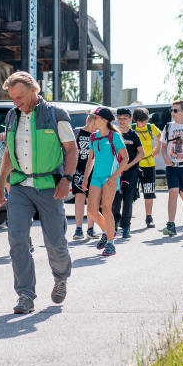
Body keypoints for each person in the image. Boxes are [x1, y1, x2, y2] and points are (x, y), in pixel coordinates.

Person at [0, 71, 78, 314]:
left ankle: (60, 278)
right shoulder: (11, 116)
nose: (15, 102)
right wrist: (1, 187)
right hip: (20, 186)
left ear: (34, 91)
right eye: (12, 98)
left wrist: (66, 179)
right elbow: (8, 154)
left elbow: (71, 150)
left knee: (55, 242)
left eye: (19, 97)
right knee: (17, 240)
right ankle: (25, 295)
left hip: (50, 186)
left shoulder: (55, 114)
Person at [81, 107, 127, 256]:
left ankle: (111, 244)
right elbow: (91, 159)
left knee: (106, 209)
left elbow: (125, 158)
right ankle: (108, 232)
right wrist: (86, 178)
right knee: (92, 210)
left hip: (110, 178)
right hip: (96, 177)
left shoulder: (114, 136)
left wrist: (114, 177)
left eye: (95, 117)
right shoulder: (93, 136)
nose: (92, 120)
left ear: (104, 120)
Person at [158, 100, 183, 237]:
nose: (172, 113)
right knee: (173, 192)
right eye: (171, 110)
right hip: (171, 166)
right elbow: (163, 147)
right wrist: (165, 158)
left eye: (175, 110)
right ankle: (171, 224)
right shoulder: (168, 127)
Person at [112, 108, 145, 239]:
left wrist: (129, 165)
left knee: (128, 199)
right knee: (115, 199)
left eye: (125, 118)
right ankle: (114, 222)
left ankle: (126, 226)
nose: (122, 121)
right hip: (115, 173)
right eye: (119, 118)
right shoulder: (113, 134)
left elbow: (141, 153)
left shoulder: (133, 135)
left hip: (131, 172)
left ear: (130, 120)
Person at [132, 108, 161, 228]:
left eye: (145, 120)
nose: (143, 123)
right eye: (141, 121)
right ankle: (124, 217)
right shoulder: (132, 128)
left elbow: (160, 135)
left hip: (149, 164)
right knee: (129, 192)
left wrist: (158, 148)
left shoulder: (151, 127)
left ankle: (149, 217)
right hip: (134, 164)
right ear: (135, 120)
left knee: (149, 191)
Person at [71, 115, 96, 241]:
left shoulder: (97, 135)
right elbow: (68, 150)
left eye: (96, 127)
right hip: (78, 170)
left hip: (93, 171)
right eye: (92, 126)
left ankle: (91, 228)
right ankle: (78, 228)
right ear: (87, 121)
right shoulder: (76, 132)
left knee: (91, 199)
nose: (94, 129)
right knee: (79, 197)